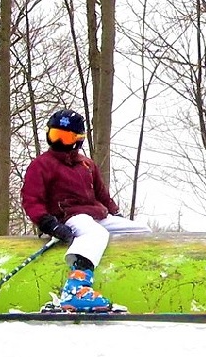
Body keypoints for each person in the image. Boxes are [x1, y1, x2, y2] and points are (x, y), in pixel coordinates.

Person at [20, 109, 152, 312]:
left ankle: (141, 279)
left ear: (78, 140)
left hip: (96, 215)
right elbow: (31, 199)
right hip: (67, 217)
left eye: (65, 138)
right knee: (95, 233)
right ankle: (75, 289)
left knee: (141, 231)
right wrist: (49, 224)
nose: (58, 143)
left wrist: (115, 214)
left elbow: (103, 196)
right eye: (55, 136)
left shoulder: (86, 165)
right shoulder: (41, 165)